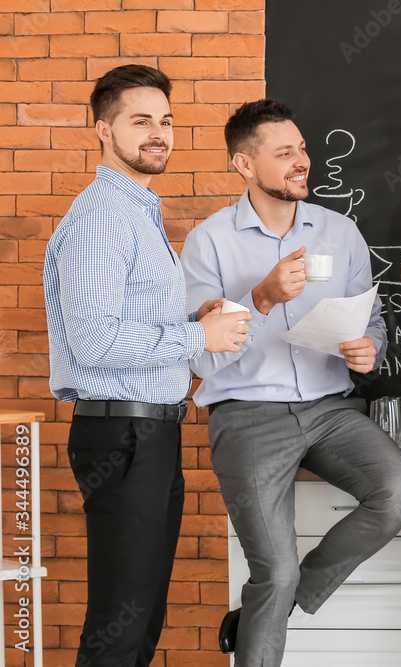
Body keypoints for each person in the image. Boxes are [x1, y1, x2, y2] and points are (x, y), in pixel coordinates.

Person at [180, 99, 401, 666]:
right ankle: (279, 591)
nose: (301, 162)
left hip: (332, 409)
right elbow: (199, 361)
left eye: (303, 149)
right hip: (246, 416)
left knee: (399, 495)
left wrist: (370, 349)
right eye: (284, 153)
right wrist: (260, 298)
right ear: (244, 164)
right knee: (273, 569)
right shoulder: (208, 242)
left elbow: (372, 322)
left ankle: (282, 598)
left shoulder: (341, 234)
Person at [43, 64, 247, 667]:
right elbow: (93, 342)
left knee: (141, 619)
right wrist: (195, 335)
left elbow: (127, 323)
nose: (159, 134)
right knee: (120, 625)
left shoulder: (138, 209)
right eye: (141, 121)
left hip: (148, 429)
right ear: (101, 129)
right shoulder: (104, 212)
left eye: (165, 121)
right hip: (122, 431)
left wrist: (195, 320)